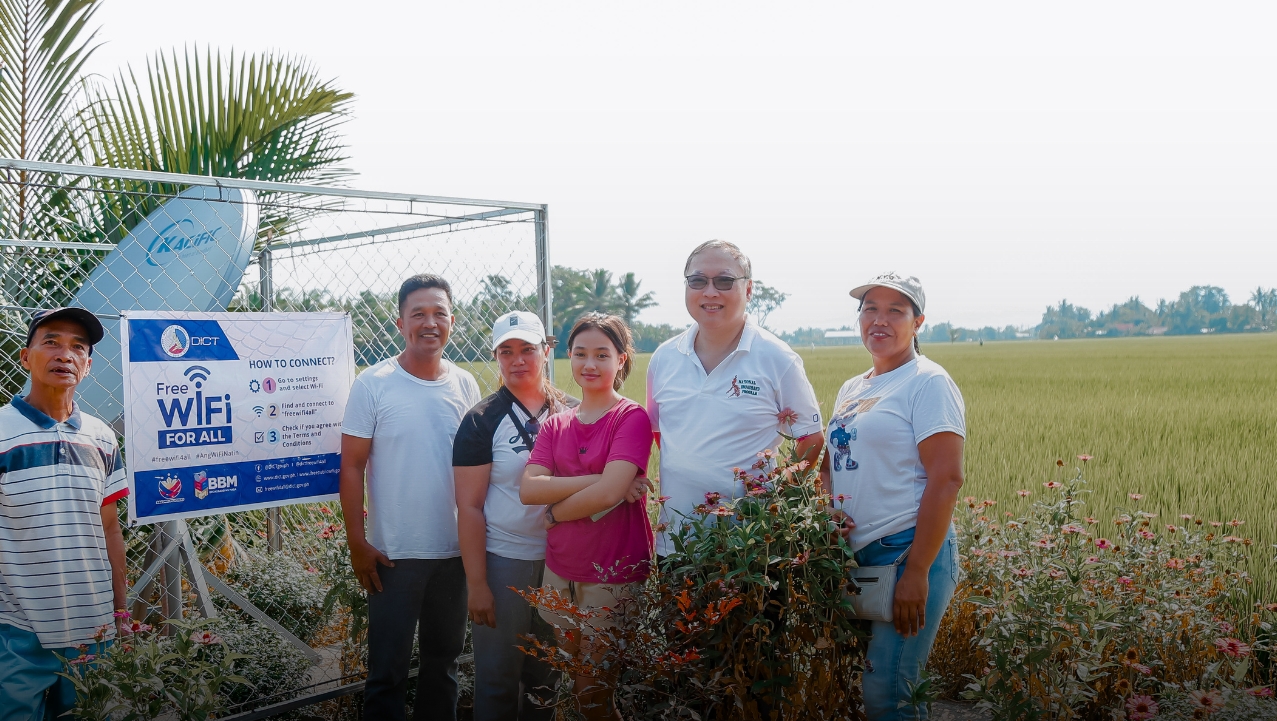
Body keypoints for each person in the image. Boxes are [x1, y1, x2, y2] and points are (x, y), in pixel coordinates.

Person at [822, 273, 966, 721]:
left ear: (918, 322)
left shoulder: (928, 383)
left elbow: (947, 479)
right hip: (859, 555)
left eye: (895, 311)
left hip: (907, 550)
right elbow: (830, 464)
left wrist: (918, 571)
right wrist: (831, 508)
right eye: (870, 309)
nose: (879, 320)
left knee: (890, 692)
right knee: (870, 684)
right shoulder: (854, 387)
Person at [339, 274, 482, 721]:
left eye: (439, 312)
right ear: (400, 323)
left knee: (444, 668)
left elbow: (479, 474)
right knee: (388, 674)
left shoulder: (464, 385)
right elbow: (351, 466)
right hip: (392, 556)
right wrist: (357, 543)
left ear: (452, 321)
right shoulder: (373, 384)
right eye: (418, 313)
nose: (429, 322)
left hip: (455, 553)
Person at [646, 240, 824, 558]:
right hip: (675, 545)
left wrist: (766, 502)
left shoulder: (777, 358)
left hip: (751, 549)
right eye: (698, 280)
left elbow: (810, 439)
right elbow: (661, 432)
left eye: (725, 281)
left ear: (749, 289)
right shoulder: (663, 358)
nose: (710, 292)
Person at [519, 313, 653, 721]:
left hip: (612, 566)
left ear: (621, 360)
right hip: (563, 565)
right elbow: (529, 489)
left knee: (593, 688)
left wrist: (557, 513)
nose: (589, 364)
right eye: (580, 354)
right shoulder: (556, 424)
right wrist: (604, 477)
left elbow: (611, 493)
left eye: (601, 354)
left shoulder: (630, 417)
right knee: (575, 668)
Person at [0, 308, 127, 721]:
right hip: (16, 634)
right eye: (51, 341)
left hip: (95, 633)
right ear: (25, 356)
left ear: (88, 366)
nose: (64, 354)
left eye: (78, 347)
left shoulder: (103, 438)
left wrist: (121, 612)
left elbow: (110, 529)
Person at [454, 311, 573, 721]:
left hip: (563, 562)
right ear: (496, 356)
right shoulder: (480, 421)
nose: (517, 359)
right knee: (497, 680)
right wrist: (477, 584)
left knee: (548, 678)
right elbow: (468, 506)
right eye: (506, 351)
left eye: (527, 349)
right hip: (505, 560)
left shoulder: (573, 413)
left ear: (546, 350)